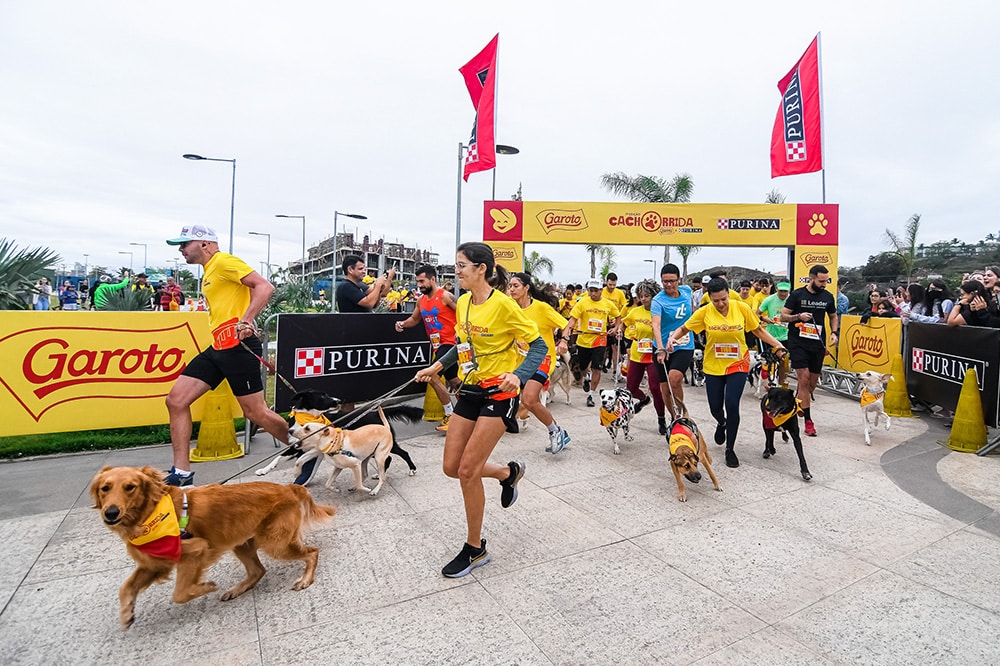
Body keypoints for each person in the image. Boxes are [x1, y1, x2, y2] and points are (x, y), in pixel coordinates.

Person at [413, 242, 547, 578]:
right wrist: (437, 367)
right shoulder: (462, 303)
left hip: (499, 395)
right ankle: (507, 473)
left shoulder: (504, 305)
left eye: (461, 265)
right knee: (451, 466)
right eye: (456, 265)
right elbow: (463, 347)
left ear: (481, 269)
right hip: (472, 389)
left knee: (468, 472)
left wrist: (518, 375)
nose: (456, 271)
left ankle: (475, 549)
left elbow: (539, 345)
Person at [162, 225, 292, 487]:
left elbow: (264, 287)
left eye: (185, 244)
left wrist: (247, 319)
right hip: (218, 348)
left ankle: (309, 446)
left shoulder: (223, 262)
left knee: (256, 413)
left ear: (205, 244)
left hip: (239, 348)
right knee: (176, 401)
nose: (181, 250)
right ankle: (182, 473)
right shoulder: (209, 271)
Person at [666, 277, 787, 468]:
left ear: (728, 294)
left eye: (723, 299)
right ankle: (721, 423)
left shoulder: (741, 308)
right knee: (715, 407)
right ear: (710, 299)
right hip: (713, 365)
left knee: (732, 404)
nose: (720, 304)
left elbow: (758, 331)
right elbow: (684, 328)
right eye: (716, 300)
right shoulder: (705, 312)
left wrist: (777, 345)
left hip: (737, 363)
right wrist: (672, 339)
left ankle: (730, 449)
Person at [506, 272, 572, 454]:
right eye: (510, 286)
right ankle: (555, 430)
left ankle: (556, 432)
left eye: (516, 286)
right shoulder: (509, 307)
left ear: (526, 288)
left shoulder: (542, 309)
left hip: (543, 358)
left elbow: (566, 323)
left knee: (528, 398)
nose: (511, 290)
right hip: (519, 360)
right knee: (517, 397)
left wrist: (564, 340)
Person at [395, 264, 459, 431]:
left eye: (422, 281)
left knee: (432, 374)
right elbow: (414, 319)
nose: (420, 285)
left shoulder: (445, 296)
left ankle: (451, 415)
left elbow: (464, 314)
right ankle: (470, 412)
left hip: (451, 344)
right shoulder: (421, 301)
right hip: (438, 346)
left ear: (433, 279)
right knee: (456, 382)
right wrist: (402, 324)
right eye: (417, 282)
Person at [781, 264, 839, 438]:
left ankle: (799, 401)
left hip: (817, 344)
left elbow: (833, 316)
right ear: (811, 278)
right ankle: (808, 421)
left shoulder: (828, 297)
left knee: (811, 384)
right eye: (821, 281)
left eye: (826, 281)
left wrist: (835, 333)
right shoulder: (797, 295)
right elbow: (783, 316)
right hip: (798, 342)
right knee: (803, 379)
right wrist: (798, 317)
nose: (824, 284)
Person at [562, 279, 622, 407]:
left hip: (600, 339)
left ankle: (591, 395)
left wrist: (616, 328)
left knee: (597, 368)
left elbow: (618, 316)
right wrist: (566, 334)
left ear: (601, 291)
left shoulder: (607, 304)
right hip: (583, 340)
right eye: (591, 290)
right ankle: (586, 378)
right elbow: (572, 321)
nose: (593, 293)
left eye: (596, 291)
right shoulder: (582, 303)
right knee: (583, 367)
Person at [651, 263, 694, 430]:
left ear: (679, 280)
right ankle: (673, 417)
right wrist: (661, 349)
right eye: (665, 281)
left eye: (672, 281)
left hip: (684, 345)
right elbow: (656, 326)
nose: (669, 285)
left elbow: (693, 311)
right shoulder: (658, 301)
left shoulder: (687, 291)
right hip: (662, 346)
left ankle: (682, 414)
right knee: (665, 387)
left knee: (675, 379)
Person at [622, 279, 667, 430]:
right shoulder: (635, 311)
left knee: (655, 388)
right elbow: (624, 322)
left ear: (654, 296)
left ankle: (661, 418)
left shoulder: (660, 312)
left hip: (654, 354)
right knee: (631, 388)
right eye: (640, 296)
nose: (643, 299)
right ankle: (643, 400)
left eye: (646, 296)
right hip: (637, 353)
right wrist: (617, 330)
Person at [757, 281, 792, 387]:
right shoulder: (769, 300)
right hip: (771, 336)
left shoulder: (792, 300)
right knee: (770, 362)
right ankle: (769, 383)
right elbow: (757, 314)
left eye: (785, 291)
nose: (782, 294)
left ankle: (781, 385)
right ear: (776, 289)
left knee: (783, 361)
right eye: (780, 291)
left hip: (786, 335)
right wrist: (764, 318)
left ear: (789, 291)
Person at [602, 273, 628, 376]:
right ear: (606, 282)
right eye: (610, 285)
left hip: (615, 323)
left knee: (615, 348)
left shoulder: (619, 293)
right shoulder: (602, 292)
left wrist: (618, 322)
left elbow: (623, 309)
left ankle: (615, 370)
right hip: (603, 323)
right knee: (603, 347)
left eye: (614, 285)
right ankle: (600, 365)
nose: (612, 287)